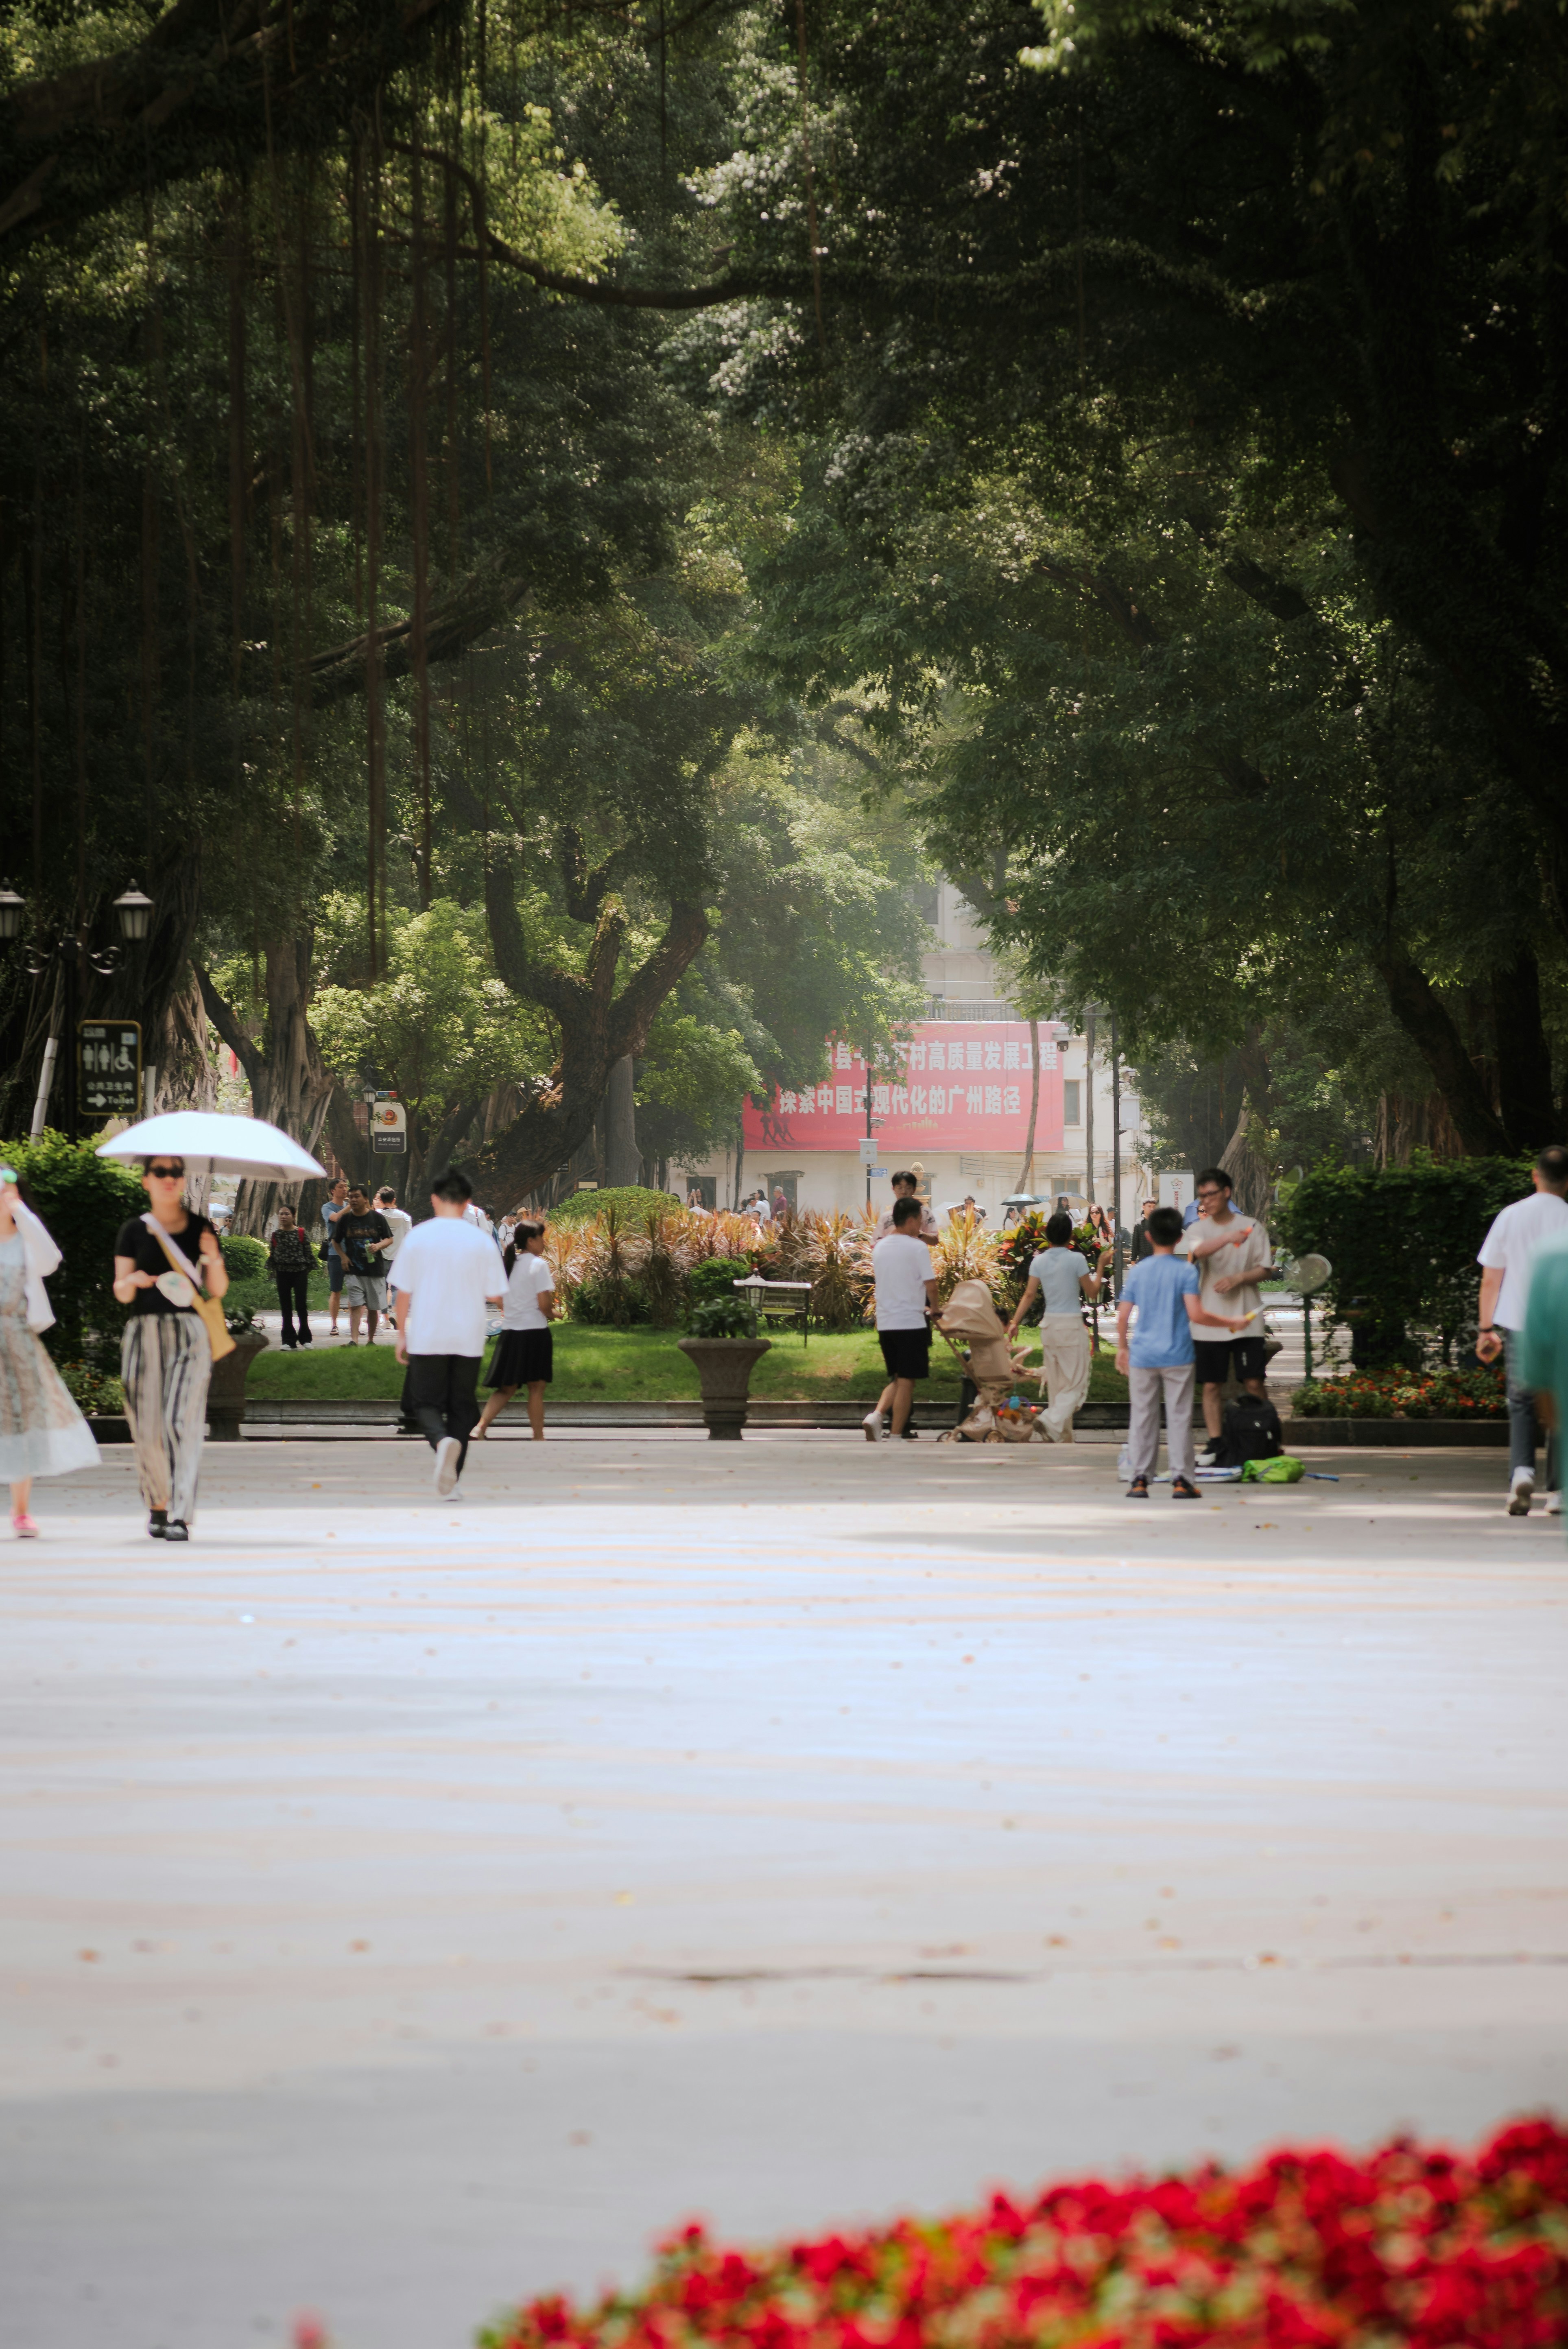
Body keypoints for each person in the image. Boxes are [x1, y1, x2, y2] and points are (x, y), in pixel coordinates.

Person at [112, 1154, 229, 1541]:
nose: (169, 1179)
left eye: (176, 1173)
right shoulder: (134, 1230)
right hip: (143, 1332)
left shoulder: (200, 1227)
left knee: (181, 1421)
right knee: (147, 1427)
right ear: (146, 1180)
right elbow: (121, 1291)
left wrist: (212, 1255)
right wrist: (136, 1280)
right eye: (160, 1172)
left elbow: (218, 1289)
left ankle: (180, 1513)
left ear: (183, 1181)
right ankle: (158, 1505)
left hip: (189, 1333)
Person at [1115, 1204, 1249, 1498]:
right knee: (1179, 1417)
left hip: (1143, 1355)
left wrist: (1122, 1348)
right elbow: (1197, 1315)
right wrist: (1232, 1322)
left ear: (1148, 1237)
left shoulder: (1138, 1273)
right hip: (1178, 1355)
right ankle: (1182, 1481)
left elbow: (1123, 1316)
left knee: (1142, 1416)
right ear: (1180, 1238)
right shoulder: (1186, 1271)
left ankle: (1139, 1479)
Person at [391, 1169, 506, 1496]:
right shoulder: (481, 1241)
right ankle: (452, 1481)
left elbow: (403, 1292)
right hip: (468, 1335)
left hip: (428, 1334)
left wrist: (402, 1335)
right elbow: (496, 1293)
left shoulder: (418, 1236)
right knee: (463, 1407)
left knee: (424, 1402)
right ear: (469, 1203)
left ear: (434, 1199)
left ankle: (441, 1443)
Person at [0, 1167, 98, 1536]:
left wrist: (22, 1212)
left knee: (22, 1420)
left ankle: (21, 1510)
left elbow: (49, 1260)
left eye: (9, 1189)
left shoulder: (25, 1239)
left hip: (17, 1337)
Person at [1476, 1143, 1568, 1516]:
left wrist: (1486, 1328)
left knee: (1521, 1402)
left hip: (1519, 1323)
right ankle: (1559, 1491)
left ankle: (1522, 1472)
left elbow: (1491, 1279)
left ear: (1535, 1175)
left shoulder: (1510, 1217)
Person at [1177, 1167, 1275, 1450]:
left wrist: (1239, 1278)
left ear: (1227, 1192)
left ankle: (1267, 1435)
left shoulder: (1254, 1227)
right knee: (1211, 1385)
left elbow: (1266, 1269)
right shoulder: (1197, 1228)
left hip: (1247, 1318)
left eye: (1211, 1194)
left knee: (1254, 1382)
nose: (1206, 1200)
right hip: (1209, 1322)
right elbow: (1197, 1253)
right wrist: (1228, 1238)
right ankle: (1216, 1441)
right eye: (1202, 1196)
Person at [1005, 1210, 1111, 1441]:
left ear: (1048, 1235)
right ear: (1071, 1235)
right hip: (1071, 1327)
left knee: (1058, 1385)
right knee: (1076, 1386)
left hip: (1050, 1327)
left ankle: (1061, 1439)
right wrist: (1102, 1264)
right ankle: (1050, 1420)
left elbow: (1029, 1295)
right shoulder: (1077, 1259)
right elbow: (1092, 1292)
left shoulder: (1039, 1260)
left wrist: (1014, 1323)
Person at [474, 1221, 557, 1441]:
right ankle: (538, 1436)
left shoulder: (508, 1264)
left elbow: (496, 1297)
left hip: (511, 1333)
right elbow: (544, 1306)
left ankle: (480, 1428)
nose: (544, 1242)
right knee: (536, 1388)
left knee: (506, 1388)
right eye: (541, 1238)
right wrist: (555, 1314)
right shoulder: (539, 1265)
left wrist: (510, 1309)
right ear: (531, 1241)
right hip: (535, 1333)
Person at [863, 1195, 938, 1442]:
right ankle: (895, 1435)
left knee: (898, 1377)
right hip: (911, 1322)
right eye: (920, 1220)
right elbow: (931, 1284)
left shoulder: (881, 1247)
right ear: (910, 1220)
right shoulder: (917, 1247)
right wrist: (936, 1308)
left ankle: (877, 1415)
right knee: (907, 1381)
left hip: (885, 1323)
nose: (921, 1226)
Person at [335, 1185, 395, 1345]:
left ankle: (370, 1340)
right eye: (351, 1197)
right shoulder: (345, 1219)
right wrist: (343, 1257)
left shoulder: (377, 1218)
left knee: (373, 1307)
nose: (353, 1200)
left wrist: (378, 1246)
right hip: (353, 1270)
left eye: (357, 1196)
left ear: (366, 1199)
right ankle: (354, 1340)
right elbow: (335, 1241)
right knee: (355, 1306)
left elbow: (389, 1239)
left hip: (375, 1270)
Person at [266, 1207, 315, 1348]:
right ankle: (288, 1341)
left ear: (294, 1216)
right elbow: (273, 1255)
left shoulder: (301, 1233)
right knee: (286, 1307)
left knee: (301, 1306)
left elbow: (309, 1255)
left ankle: (306, 1339)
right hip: (282, 1273)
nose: (283, 1216)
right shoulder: (276, 1235)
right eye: (281, 1213)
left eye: (287, 1214)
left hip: (300, 1273)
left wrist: (304, 1271)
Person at [875, 1171, 939, 1242]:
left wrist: (917, 1233)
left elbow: (935, 1240)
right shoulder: (886, 1217)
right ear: (893, 1189)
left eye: (908, 1188)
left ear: (914, 1189)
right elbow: (876, 1242)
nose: (904, 1191)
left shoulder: (925, 1213)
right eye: (899, 1187)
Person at [320, 1178, 348, 1337]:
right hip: (335, 1254)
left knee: (355, 1290)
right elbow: (335, 1218)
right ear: (333, 1191)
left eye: (346, 1187)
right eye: (341, 1187)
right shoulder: (327, 1207)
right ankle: (334, 1325)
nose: (345, 1189)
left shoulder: (349, 1207)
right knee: (336, 1290)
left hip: (352, 1253)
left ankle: (354, 1324)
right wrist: (351, 1206)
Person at [376, 1185, 413, 1267]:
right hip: (399, 1259)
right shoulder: (405, 1217)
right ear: (394, 1200)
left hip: (381, 1257)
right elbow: (409, 1238)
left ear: (381, 1200)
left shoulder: (377, 1215)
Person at [1131, 1199, 1160, 1263]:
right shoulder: (1139, 1224)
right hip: (1143, 1258)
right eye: (1149, 1207)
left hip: (1157, 1258)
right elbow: (1135, 1242)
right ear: (1143, 1207)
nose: (1152, 1209)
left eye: (1154, 1207)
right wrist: (1133, 1259)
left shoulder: (1159, 1223)